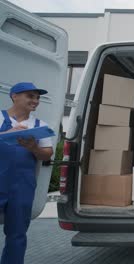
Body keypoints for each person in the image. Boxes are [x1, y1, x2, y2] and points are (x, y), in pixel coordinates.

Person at [0, 82, 53, 264]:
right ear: (14, 96)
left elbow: (47, 154)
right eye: (30, 96)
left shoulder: (40, 126)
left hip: (22, 185)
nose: (35, 101)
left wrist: (33, 148)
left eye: (37, 97)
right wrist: (6, 133)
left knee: (17, 233)